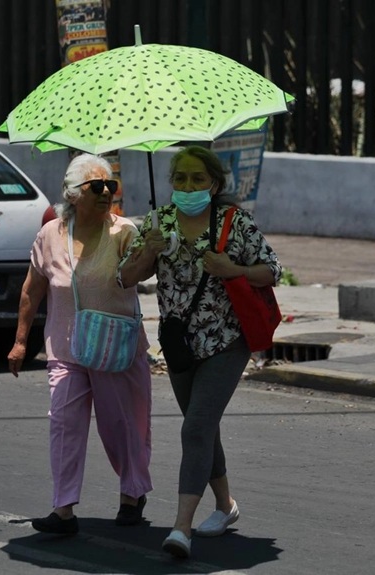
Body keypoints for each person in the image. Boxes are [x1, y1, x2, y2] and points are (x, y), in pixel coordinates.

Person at [118, 145, 282, 558]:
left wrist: (235, 270)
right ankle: (225, 506)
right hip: (179, 345)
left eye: (196, 179)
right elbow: (125, 278)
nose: (187, 186)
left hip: (228, 340)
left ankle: (180, 528)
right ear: (170, 182)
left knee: (194, 429)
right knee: (202, 426)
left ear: (213, 183)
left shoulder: (233, 222)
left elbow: (271, 270)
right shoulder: (158, 222)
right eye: (180, 179)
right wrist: (149, 251)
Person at [8, 153, 153, 535]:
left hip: (115, 347)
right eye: (96, 186)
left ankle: (132, 493)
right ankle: (63, 508)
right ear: (73, 194)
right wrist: (20, 342)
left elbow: (138, 275)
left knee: (122, 425)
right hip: (67, 349)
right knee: (64, 425)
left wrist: (151, 248)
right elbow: (31, 289)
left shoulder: (125, 232)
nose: (106, 192)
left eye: (110, 185)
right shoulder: (50, 235)